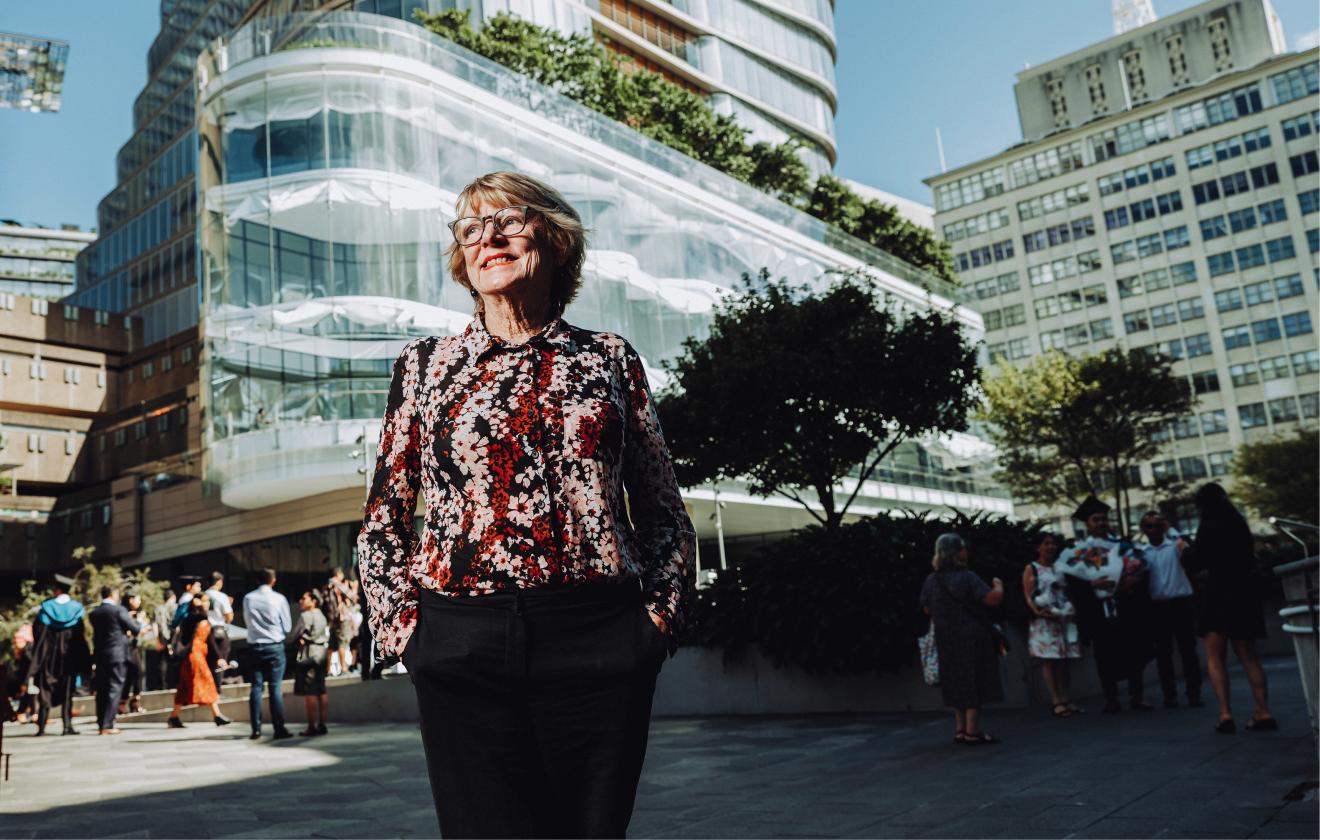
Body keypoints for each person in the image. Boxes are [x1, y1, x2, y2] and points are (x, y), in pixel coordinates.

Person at [358, 172, 695, 837]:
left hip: (599, 636)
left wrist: (655, 624)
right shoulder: (425, 365)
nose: (490, 238)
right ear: (462, 258)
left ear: (555, 237)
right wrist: (407, 634)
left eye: (508, 220)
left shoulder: (609, 359)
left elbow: (660, 507)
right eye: (471, 228)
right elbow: (384, 515)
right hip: (460, 640)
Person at [1181, 482, 1275, 734]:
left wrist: (1184, 550)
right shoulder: (1238, 524)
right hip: (1244, 593)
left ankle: (1225, 714)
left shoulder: (1208, 526)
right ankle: (1263, 710)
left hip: (1217, 594)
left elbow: (1197, 561)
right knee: (1249, 656)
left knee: (1215, 656)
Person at [1058, 496, 1154, 713]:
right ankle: (1111, 698)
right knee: (1104, 655)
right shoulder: (1080, 550)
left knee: (1134, 650)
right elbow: (1073, 582)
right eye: (1095, 520)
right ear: (1087, 524)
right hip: (1099, 611)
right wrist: (1091, 583)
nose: (1101, 523)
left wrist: (1130, 580)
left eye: (1103, 519)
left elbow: (1141, 570)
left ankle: (1136, 696)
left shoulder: (1122, 545)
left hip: (1125, 607)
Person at [920, 533, 1004, 744]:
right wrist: (998, 585)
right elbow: (992, 600)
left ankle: (960, 729)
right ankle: (972, 731)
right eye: (963, 548)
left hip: (945, 639)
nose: (966, 551)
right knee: (974, 681)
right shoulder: (967, 576)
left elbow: (927, 609)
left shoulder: (932, 580)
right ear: (957, 552)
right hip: (972, 637)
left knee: (955, 683)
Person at [1138, 510, 1204, 709]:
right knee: (1163, 653)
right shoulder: (1142, 553)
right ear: (1143, 529)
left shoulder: (1176, 545)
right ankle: (1169, 695)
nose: (1154, 529)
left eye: (1158, 525)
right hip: (1157, 607)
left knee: (1188, 651)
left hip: (1181, 604)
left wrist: (1171, 531)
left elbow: (1189, 553)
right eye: (1149, 526)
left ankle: (1194, 693)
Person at [1022, 532, 1083, 716]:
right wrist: (1039, 611)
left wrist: (1071, 609)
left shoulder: (1060, 567)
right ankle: (1056, 699)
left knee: (1064, 660)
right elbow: (1028, 594)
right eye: (1046, 544)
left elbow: (1068, 590)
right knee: (1049, 660)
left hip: (1063, 617)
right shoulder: (1032, 568)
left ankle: (1066, 698)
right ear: (1038, 547)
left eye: (1053, 544)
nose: (1051, 547)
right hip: (1044, 619)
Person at [27, 579, 90, 736]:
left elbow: (38, 634)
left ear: (57, 591)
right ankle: (67, 726)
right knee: (68, 690)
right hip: (69, 658)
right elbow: (80, 638)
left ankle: (41, 727)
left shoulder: (46, 608)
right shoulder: (76, 610)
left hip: (49, 658)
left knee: (45, 689)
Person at [167, 594, 233, 728]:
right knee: (207, 681)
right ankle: (217, 715)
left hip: (200, 654)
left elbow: (210, 640)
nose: (207, 603)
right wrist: (195, 605)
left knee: (184, 687)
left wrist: (219, 657)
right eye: (205, 601)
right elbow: (195, 619)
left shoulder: (203, 617)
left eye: (208, 601)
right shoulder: (191, 618)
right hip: (193, 655)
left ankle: (174, 717)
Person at [243, 567, 293, 741]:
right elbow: (287, 627)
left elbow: (247, 621)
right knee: (275, 688)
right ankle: (278, 728)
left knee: (256, 688)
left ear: (257, 580)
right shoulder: (279, 599)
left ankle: (256, 729)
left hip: (255, 646)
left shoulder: (248, 598)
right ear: (273, 581)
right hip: (274, 646)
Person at [89, 585, 143, 735]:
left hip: (100, 655)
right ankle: (108, 724)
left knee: (102, 690)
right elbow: (135, 629)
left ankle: (101, 723)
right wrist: (138, 621)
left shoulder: (94, 613)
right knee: (115, 688)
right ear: (113, 594)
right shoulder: (119, 610)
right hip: (117, 654)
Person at [290, 590, 331, 736]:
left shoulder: (306, 615)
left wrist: (298, 639)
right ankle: (323, 724)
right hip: (321, 652)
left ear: (313, 600)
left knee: (311, 691)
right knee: (321, 689)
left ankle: (312, 726)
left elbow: (295, 634)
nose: (301, 601)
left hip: (309, 653)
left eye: (304, 598)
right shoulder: (321, 615)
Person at [323, 568, 356, 677]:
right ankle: (344, 668)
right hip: (342, 617)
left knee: (332, 644)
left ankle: (328, 670)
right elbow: (352, 596)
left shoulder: (327, 585)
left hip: (332, 619)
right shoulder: (338, 584)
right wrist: (354, 588)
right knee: (342, 642)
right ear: (338, 574)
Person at [121, 592, 150, 715]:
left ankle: (134, 701)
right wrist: (138, 622)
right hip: (125, 647)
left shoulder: (135, 614)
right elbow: (130, 631)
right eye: (137, 599)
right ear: (130, 600)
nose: (139, 602)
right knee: (131, 673)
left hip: (133, 646)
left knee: (138, 672)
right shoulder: (123, 613)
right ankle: (123, 703)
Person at [205, 572, 234, 688]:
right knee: (221, 659)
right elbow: (229, 616)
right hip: (219, 630)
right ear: (219, 582)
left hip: (205, 631)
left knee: (209, 661)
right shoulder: (222, 596)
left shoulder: (203, 595)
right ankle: (217, 689)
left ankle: (209, 688)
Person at [151, 590, 178, 690]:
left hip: (162, 637)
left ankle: (162, 685)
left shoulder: (158, 608)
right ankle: (175, 683)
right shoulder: (175, 607)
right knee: (175, 660)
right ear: (173, 597)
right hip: (174, 637)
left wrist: (157, 639)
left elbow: (155, 625)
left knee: (162, 662)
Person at [10, 624, 36, 724]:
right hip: (27, 675)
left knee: (30, 694)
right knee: (29, 694)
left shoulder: (25, 649)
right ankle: (25, 713)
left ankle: (28, 713)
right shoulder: (27, 648)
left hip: (26, 675)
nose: (16, 641)